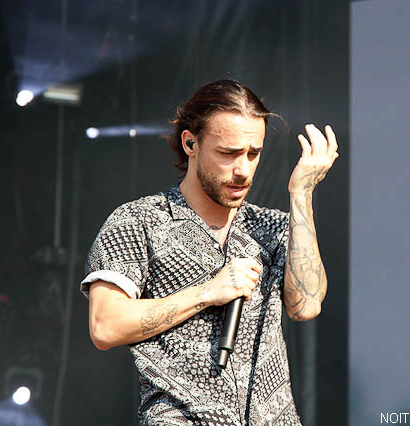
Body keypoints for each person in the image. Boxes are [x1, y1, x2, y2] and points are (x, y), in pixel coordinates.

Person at [80, 79, 338, 425]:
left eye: (253, 153)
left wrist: (301, 195)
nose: (243, 170)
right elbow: (105, 326)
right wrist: (206, 293)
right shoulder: (138, 221)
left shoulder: (273, 227)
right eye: (228, 153)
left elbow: (305, 306)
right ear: (190, 142)